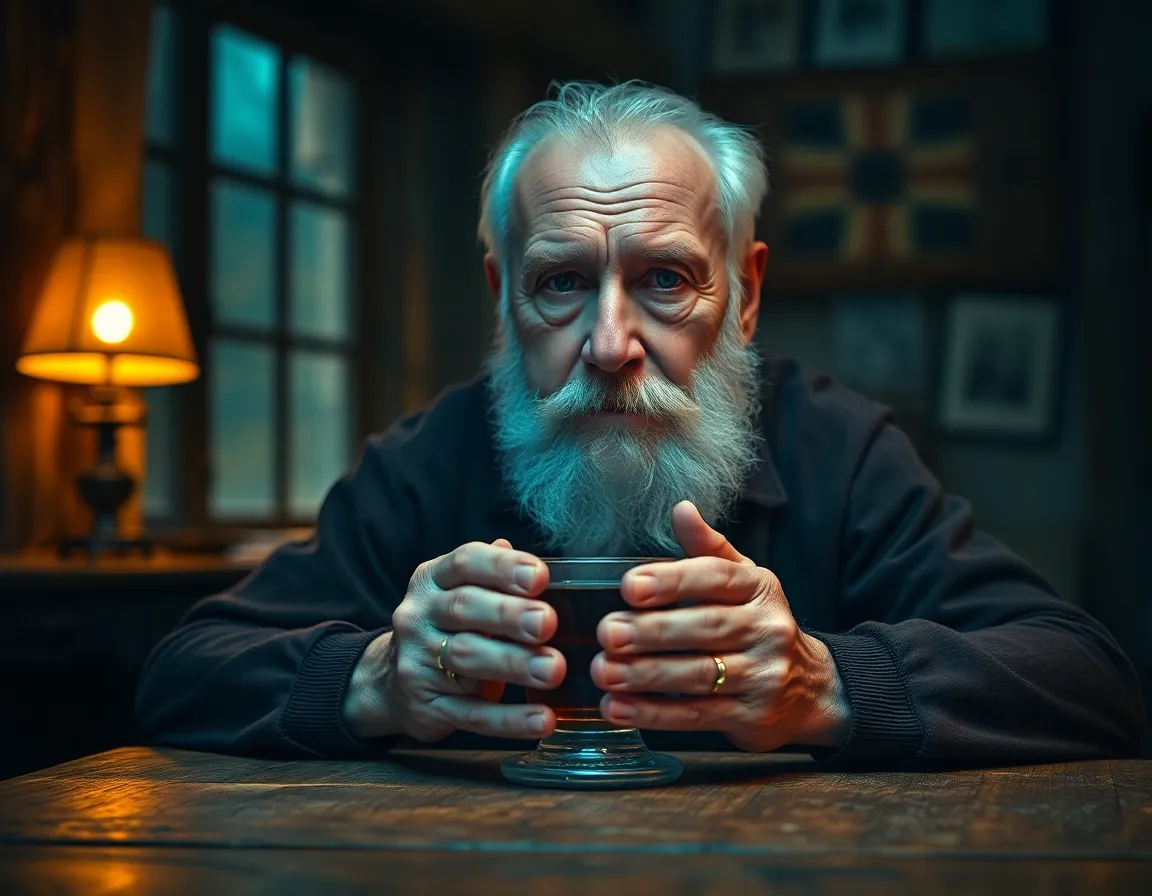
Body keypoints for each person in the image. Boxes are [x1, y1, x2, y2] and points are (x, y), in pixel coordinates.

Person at [136, 81, 1145, 765]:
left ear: (744, 297)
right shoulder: (427, 458)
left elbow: (1092, 677)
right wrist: (373, 679)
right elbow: (184, 673)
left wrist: (825, 682)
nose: (610, 341)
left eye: (665, 279)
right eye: (561, 284)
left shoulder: (836, 448)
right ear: (503, 300)